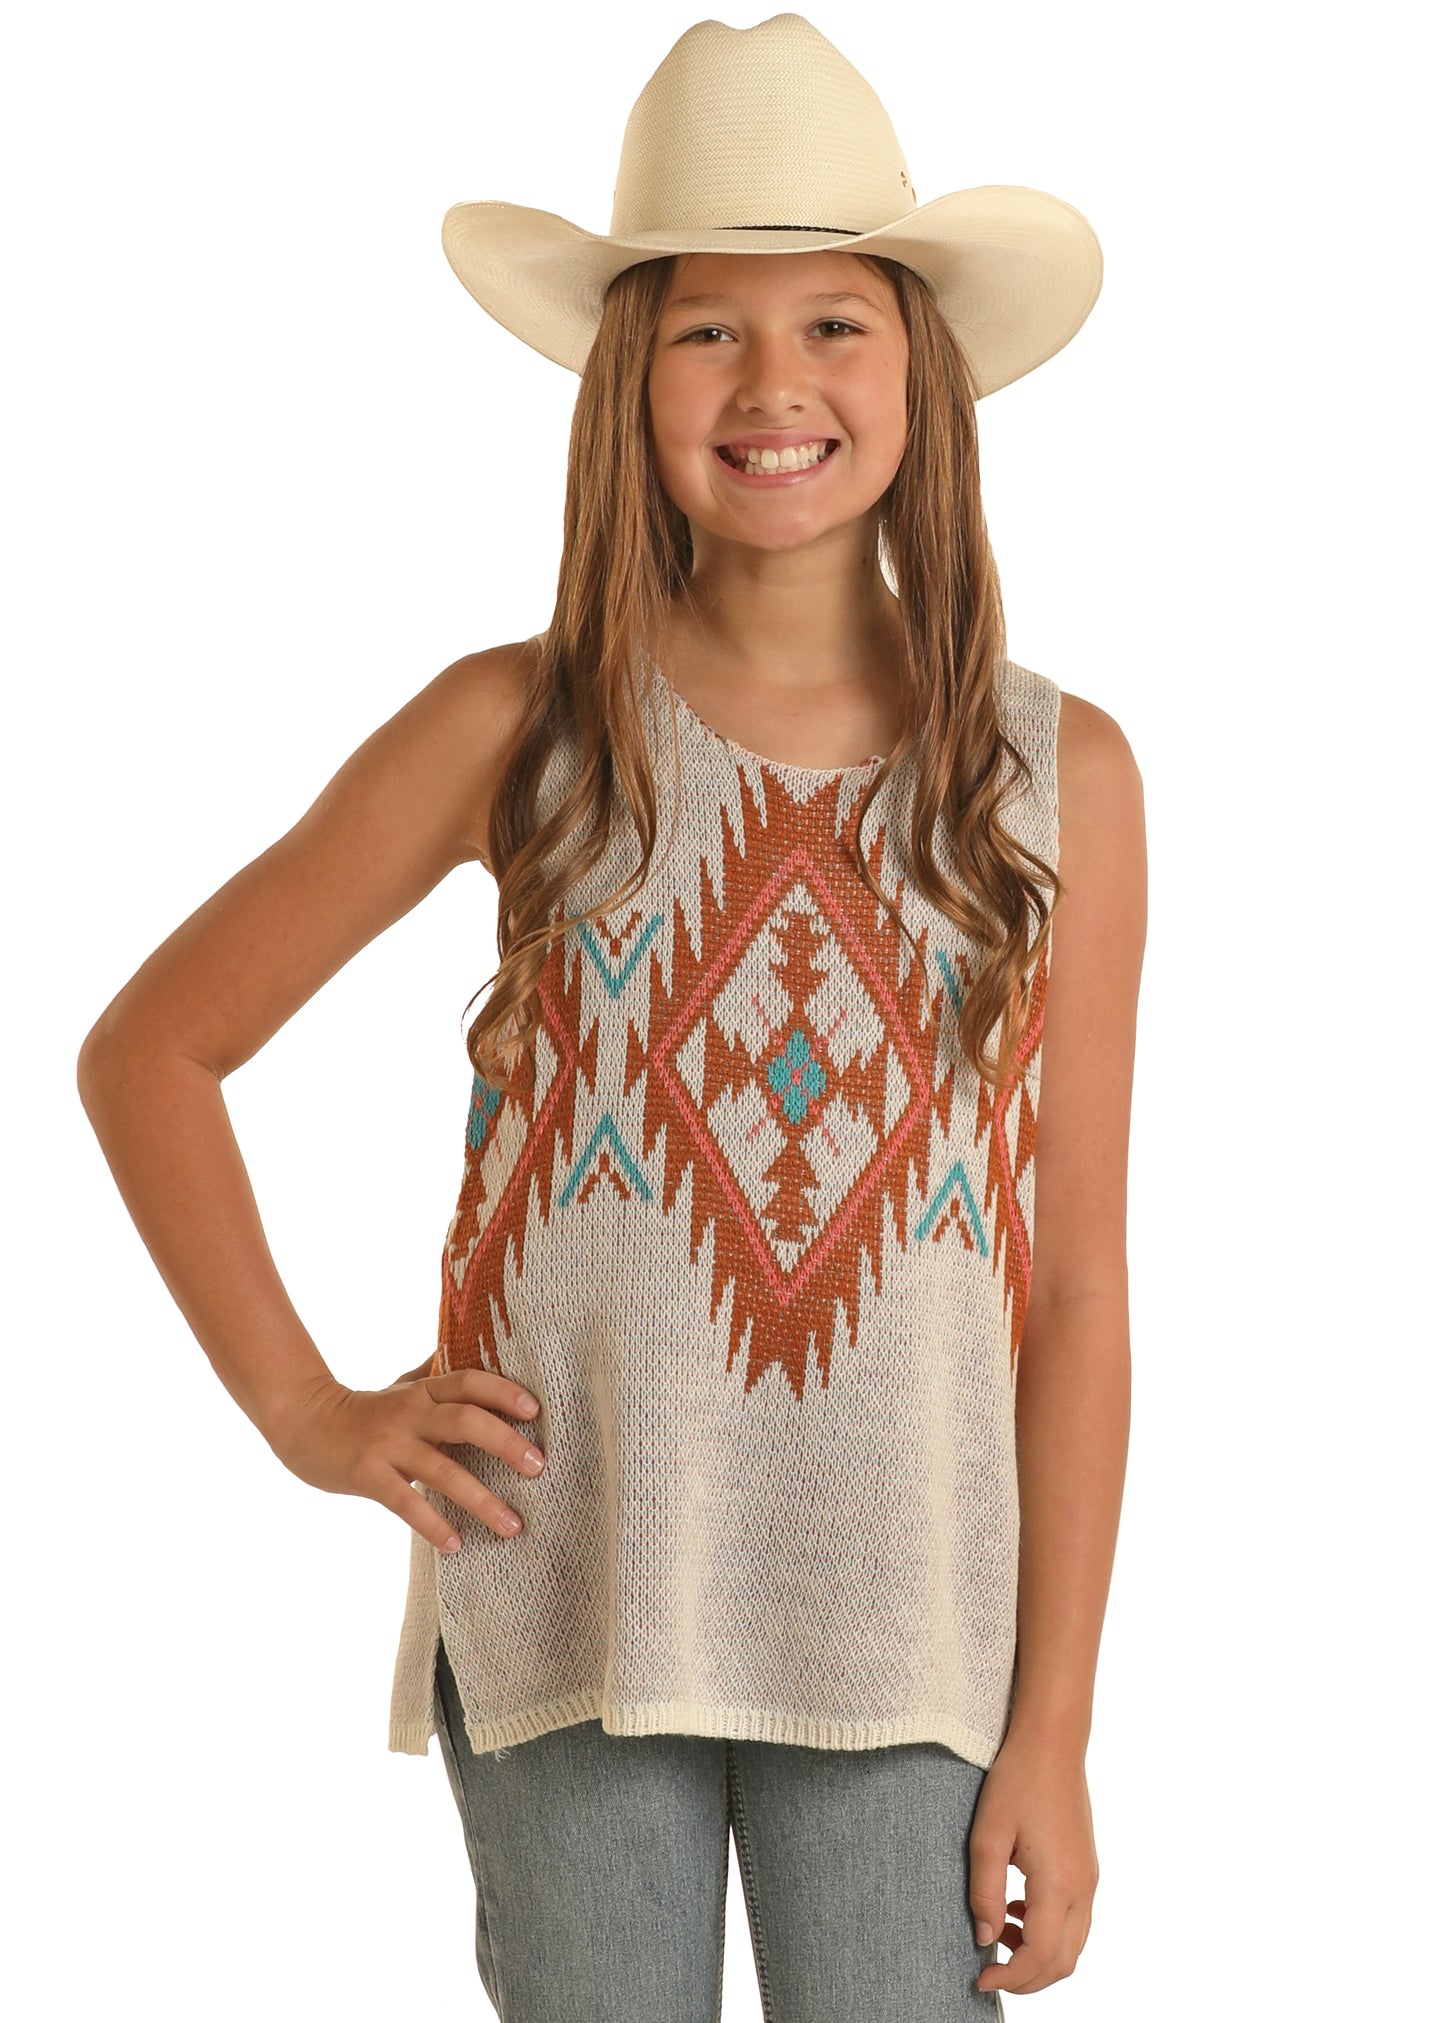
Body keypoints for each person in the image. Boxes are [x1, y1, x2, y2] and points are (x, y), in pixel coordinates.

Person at [77, 14, 1144, 2020]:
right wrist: (314, 1410)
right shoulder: (524, 729)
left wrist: (1060, 1727)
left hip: (916, 1634)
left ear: (919, 365)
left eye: (835, 322)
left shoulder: (1052, 774)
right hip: (575, 1593)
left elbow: (1076, 1282)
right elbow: (153, 1051)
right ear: (625, 378)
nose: (776, 387)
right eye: (705, 333)